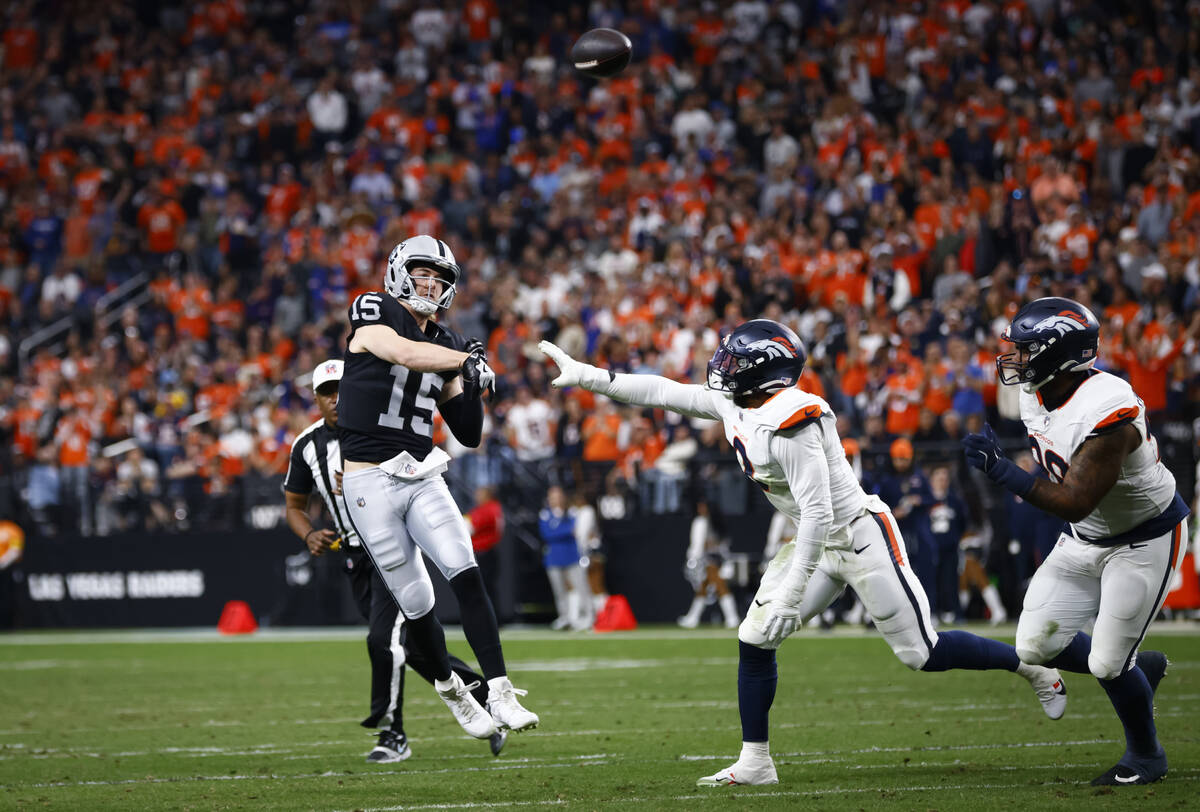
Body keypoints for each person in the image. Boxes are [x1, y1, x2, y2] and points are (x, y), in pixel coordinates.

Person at [540, 319, 1067, 788]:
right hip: (814, 541)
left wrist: (793, 591)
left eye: (736, 361)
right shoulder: (736, 401)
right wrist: (587, 376)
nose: (723, 367)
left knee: (920, 653)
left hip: (859, 536)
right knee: (755, 637)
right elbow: (663, 390)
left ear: (765, 371)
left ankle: (1031, 669)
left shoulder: (793, 419)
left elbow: (818, 514)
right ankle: (755, 761)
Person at [964, 297, 1188, 786]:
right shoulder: (1036, 390)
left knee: (1107, 661)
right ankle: (1138, 672)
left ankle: (1147, 755)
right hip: (1086, 539)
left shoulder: (1110, 409)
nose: (1015, 359)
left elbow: (1074, 500)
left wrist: (1002, 470)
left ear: (1056, 353)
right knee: (1033, 644)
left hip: (1143, 539)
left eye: (1025, 350)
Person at [337, 235, 539, 741]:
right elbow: (401, 350)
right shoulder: (375, 308)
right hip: (367, 480)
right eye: (422, 273)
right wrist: (459, 362)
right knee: (417, 604)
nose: (431, 284)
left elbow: (468, 433)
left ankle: (500, 690)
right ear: (400, 272)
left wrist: (471, 380)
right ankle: (454, 692)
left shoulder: (448, 342)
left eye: (440, 279)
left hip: (420, 471)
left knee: (464, 570)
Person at [283, 359, 506, 762]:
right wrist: (308, 533)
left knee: (382, 641)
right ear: (315, 398)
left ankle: (392, 734)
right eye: (327, 392)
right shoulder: (307, 445)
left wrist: (366, 475)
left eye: (342, 389)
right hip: (353, 558)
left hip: (390, 549)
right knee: (414, 649)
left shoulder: (378, 425)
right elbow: (294, 505)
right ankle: (484, 695)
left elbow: (414, 475)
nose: (336, 399)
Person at [678, 500, 740, 629]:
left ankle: (732, 618)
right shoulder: (703, 522)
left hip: (713, 560)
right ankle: (693, 618)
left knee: (719, 586)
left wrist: (695, 559)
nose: (700, 508)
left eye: (703, 506)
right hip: (706, 559)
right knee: (703, 589)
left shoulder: (707, 522)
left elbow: (703, 546)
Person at [538, 485, 589, 630]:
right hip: (554, 558)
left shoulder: (571, 512)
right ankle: (564, 617)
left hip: (572, 556)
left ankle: (588, 616)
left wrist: (557, 531)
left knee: (581, 587)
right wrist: (564, 531)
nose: (555, 499)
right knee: (559, 591)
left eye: (557, 496)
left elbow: (573, 530)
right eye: (552, 496)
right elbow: (546, 533)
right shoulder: (545, 514)